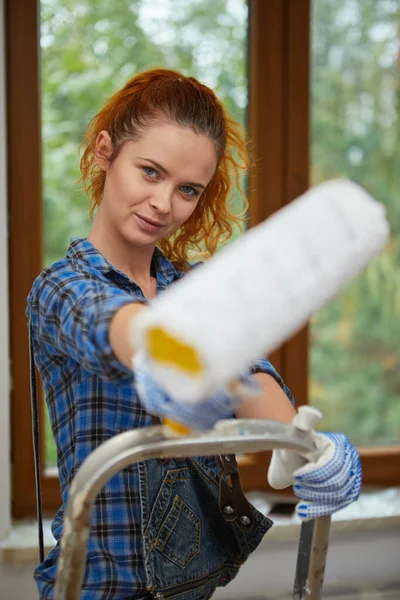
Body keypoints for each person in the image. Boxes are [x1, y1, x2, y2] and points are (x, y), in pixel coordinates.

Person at [27, 68, 361, 600]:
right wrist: (163, 349)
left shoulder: (197, 285)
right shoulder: (59, 287)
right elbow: (108, 322)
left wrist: (308, 447)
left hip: (192, 585)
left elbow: (249, 371)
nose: (164, 203)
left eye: (187, 189)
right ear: (104, 151)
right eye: (150, 172)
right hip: (98, 584)